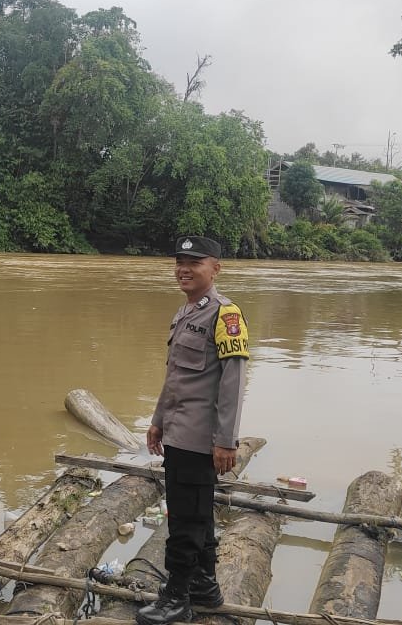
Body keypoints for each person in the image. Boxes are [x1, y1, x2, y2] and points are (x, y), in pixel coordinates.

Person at [137, 235, 250, 625]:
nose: (183, 269)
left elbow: (233, 383)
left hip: (201, 440)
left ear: (215, 268)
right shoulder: (185, 312)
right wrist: (158, 421)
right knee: (197, 513)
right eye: (179, 262)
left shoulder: (226, 316)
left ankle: (177, 598)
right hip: (177, 432)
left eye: (194, 263)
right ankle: (204, 586)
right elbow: (175, 378)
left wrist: (226, 441)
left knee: (185, 519)